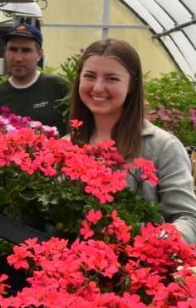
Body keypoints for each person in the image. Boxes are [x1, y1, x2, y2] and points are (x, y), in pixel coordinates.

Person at [68, 39, 196, 243]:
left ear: (132, 85)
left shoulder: (162, 147)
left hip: (139, 268)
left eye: (112, 79)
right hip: (67, 269)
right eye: (90, 76)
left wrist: (154, 242)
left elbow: (188, 219)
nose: (98, 87)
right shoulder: (65, 146)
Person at [0, 22, 70, 134]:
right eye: (13, 49)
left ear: (39, 54)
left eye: (26, 50)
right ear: (5, 51)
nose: (18, 58)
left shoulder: (59, 87)